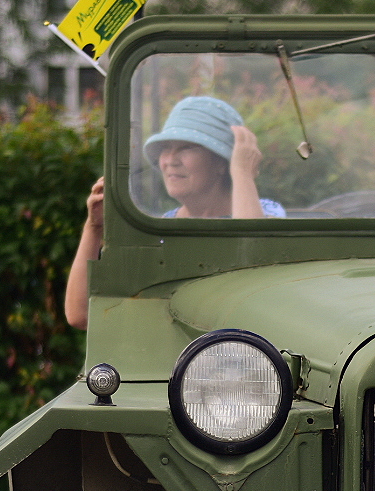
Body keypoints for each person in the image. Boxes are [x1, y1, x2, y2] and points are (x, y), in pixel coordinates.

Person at [65, 96, 282, 329]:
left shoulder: (266, 214)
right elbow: (80, 315)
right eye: (165, 148)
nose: (170, 160)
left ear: (222, 162)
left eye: (187, 147)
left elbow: (257, 284)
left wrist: (241, 171)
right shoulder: (155, 229)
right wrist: (94, 228)